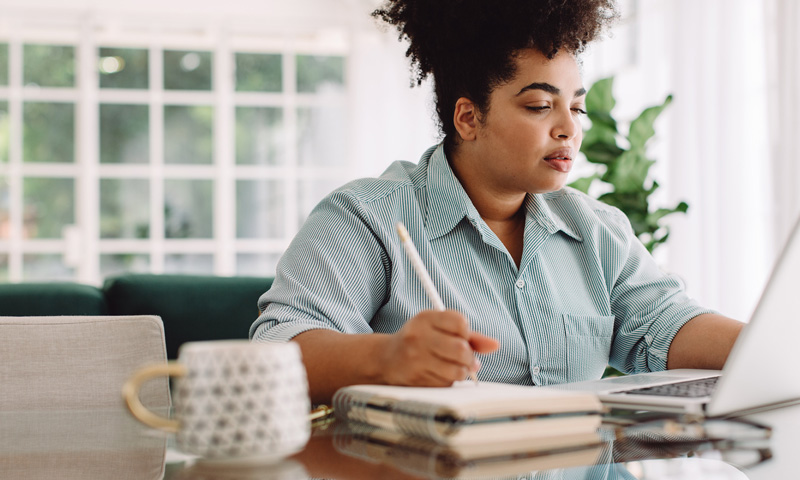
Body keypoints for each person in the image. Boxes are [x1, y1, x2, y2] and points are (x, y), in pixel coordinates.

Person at [250, 0, 743, 404]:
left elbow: (663, 323)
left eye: (576, 106)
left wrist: (769, 347)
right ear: (468, 118)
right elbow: (273, 352)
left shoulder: (596, 229)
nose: (569, 128)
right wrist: (386, 357)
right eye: (539, 106)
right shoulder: (367, 217)